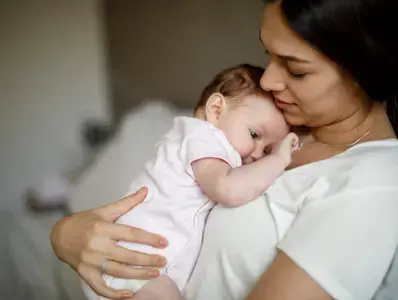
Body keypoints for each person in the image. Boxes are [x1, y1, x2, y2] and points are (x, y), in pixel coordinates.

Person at [51, 0, 398, 299]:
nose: (268, 81)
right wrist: (64, 234)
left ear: (362, 71)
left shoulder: (374, 186)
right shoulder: (282, 121)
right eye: (268, 55)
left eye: (295, 69)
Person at [83, 64, 297, 300]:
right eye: (255, 135)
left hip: (147, 269)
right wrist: (278, 159)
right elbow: (228, 189)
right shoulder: (202, 137)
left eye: (267, 149)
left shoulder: (211, 146)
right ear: (216, 110)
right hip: (134, 263)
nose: (258, 155)